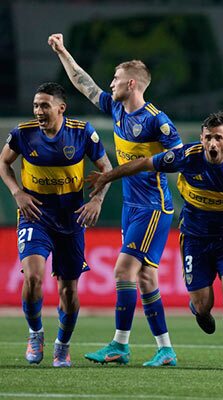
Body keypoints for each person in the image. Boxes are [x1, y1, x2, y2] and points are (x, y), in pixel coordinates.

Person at [48, 33, 183, 366]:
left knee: (123, 270)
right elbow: (85, 85)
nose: (110, 85)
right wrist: (64, 51)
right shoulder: (116, 107)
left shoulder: (157, 120)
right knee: (146, 277)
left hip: (153, 206)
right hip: (131, 205)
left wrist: (122, 171)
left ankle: (119, 345)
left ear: (132, 83)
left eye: (116, 79)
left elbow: (179, 158)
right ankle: (165, 349)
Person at [87, 111, 223, 370]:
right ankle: (198, 312)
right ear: (201, 138)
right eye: (208, 137)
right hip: (195, 237)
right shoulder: (186, 157)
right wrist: (107, 176)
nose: (213, 144)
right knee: (202, 306)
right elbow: (145, 163)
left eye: (218, 138)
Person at [0, 82, 112, 367]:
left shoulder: (82, 132)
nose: (38, 111)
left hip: (71, 218)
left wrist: (97, 201)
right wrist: (17, 192)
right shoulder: (23, 134)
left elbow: (106, 169)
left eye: (44, 106)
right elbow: (4, 163)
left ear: (61, 108)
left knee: (69, 291)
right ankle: (35, 333)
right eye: (36, 105)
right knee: (34, 277)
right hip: (35, 214)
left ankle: (62, 344)